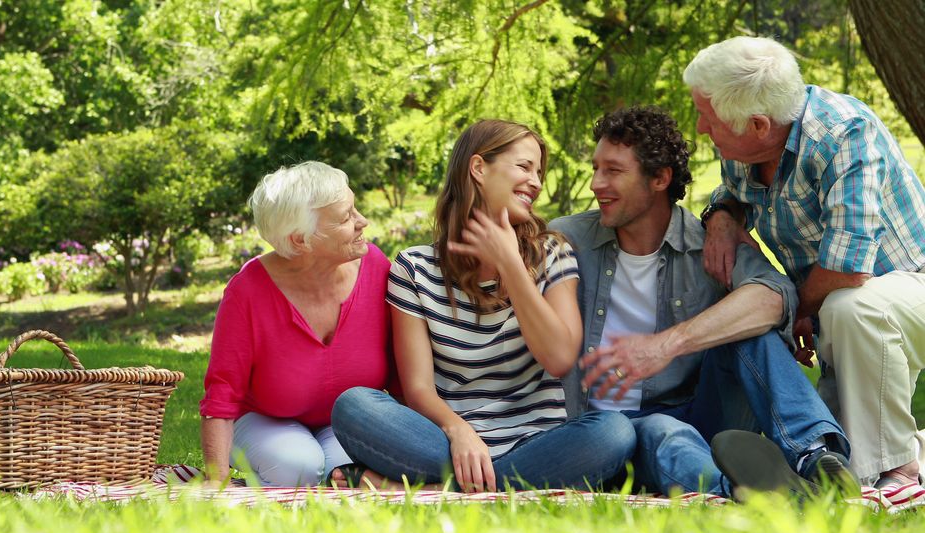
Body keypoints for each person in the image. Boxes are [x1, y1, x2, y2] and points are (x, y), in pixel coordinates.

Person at [548, 106, 852, 498]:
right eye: (595, 168)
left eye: (613, 171)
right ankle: (766, 494)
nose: (596, 183)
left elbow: (776, 296)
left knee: (748, 330)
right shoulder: (567, 238)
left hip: (698, 415)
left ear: (660, 178)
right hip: (596, 429)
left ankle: (817, 455)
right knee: (661, 432)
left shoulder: (708, 246)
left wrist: (666, 344)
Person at [330, 119, 635, 493]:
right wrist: (460, 432)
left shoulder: (552, 253)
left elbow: (558, 357)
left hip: (539, 446)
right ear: (478, 168)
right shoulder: (414, 268)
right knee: (354, 405)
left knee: (614, 432)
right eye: (524, 167)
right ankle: (493, 484)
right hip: (446, 444)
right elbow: (418, 388)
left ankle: (435, 488)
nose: (537, 182)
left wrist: (510, 262)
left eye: (539, 171)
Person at [685, 36, 925, 489]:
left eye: (706, 116)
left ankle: (899, 471)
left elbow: (849, 267)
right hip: (840, 318)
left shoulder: (845, 132)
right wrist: (719, 216)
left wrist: (799, 310)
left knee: (852, 307)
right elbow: (733, 196)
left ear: (757, 124)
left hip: (907, 286)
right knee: (838, 445)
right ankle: (823, 470)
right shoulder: (745, 150)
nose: (700, 128)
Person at [199, 161, 397, 487]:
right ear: (301, 240)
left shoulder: (376, 267)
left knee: (351, 471)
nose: (362, 221)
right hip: (265, 419)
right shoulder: (247, 291)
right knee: (298, 467)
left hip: (345, 421)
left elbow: (400, 368)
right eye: (346, 217)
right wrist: (215, 480)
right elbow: (223, 391)